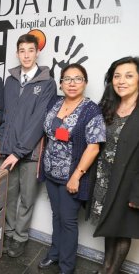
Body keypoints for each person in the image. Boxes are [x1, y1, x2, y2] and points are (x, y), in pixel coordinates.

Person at [38, 63, 106, 274]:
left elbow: (94, 147)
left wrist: (77, 176)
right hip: (51, 173)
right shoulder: (55, 102)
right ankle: (54, 254)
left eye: (78, 79)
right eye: (67, 79)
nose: (72, 83)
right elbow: (47, 136)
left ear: (85, 83)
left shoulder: (91, 109)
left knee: (68, 221)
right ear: (60, 83)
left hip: (72, 176)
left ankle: (67, 267)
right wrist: (41, 165)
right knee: (56, 216)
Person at [0, 34, 57, 258]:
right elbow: (5, 114)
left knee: (27, 198)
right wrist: (1, 139)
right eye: (22, 50)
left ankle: (20, 237)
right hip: (8, 149)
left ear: (37, 52)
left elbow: (38, 122)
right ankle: (10, 232)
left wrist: (18, 152)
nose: (26, 55)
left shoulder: (47, 82)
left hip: (30, 153)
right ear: (17, 52)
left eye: (30, 50)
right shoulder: (10, 80)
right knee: (9, 196)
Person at [89, 56, 139, 274]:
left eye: (129, 76)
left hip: (129, 183)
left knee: (122, 230)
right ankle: (105, 267)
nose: (121, 81)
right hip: (104, 178)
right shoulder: (108, 106)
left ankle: (111, 271)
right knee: (110, 225)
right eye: (117, 76)